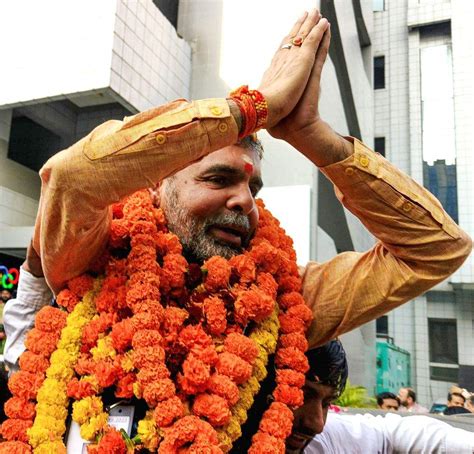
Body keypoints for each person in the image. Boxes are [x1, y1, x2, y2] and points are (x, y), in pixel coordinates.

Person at [1, 8, 472, 452]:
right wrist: (254, 108)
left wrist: (312, 134)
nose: (245, 201)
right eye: (219, 178)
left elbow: (436, 250)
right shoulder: (89, 256)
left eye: (254, 187)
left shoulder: (285, 301)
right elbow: (69, 177)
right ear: (155, 186)